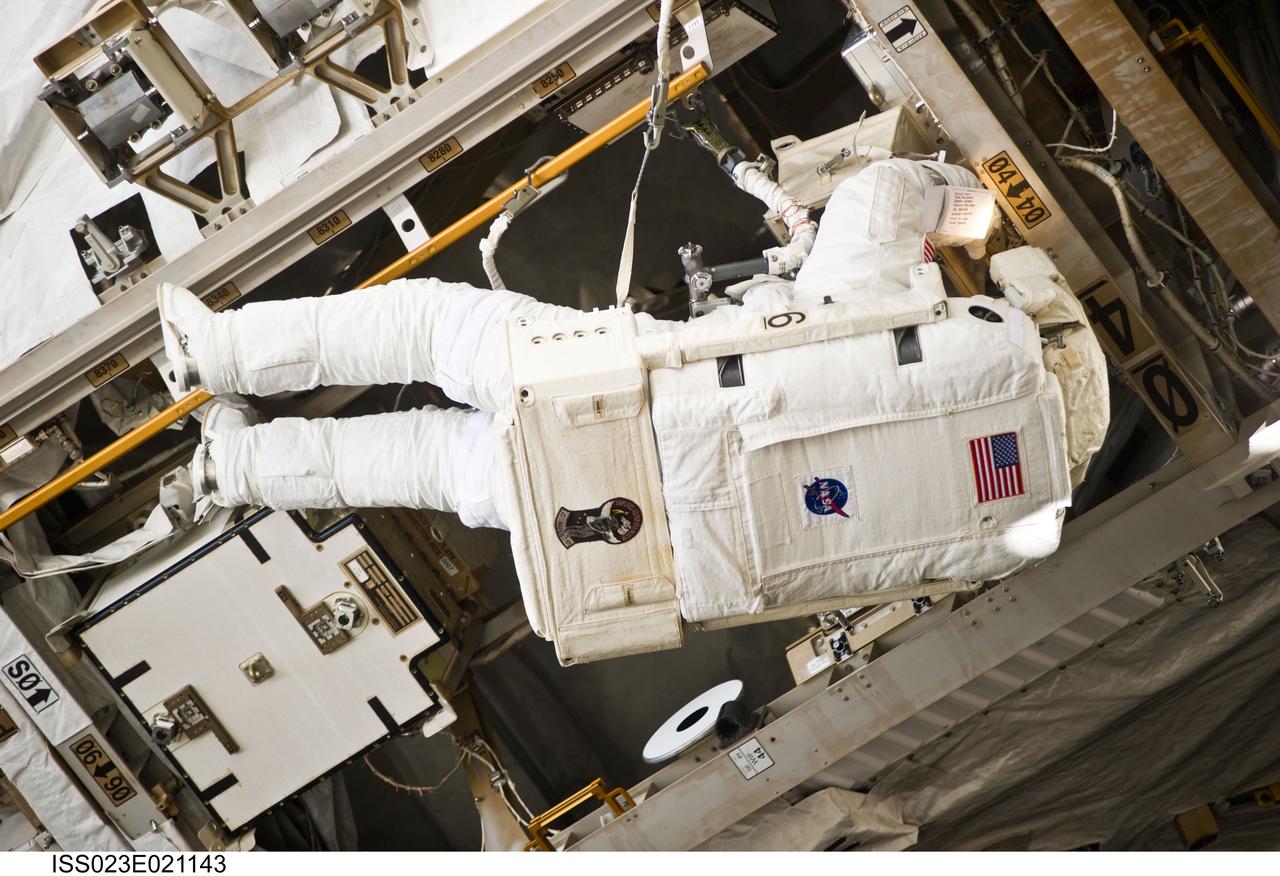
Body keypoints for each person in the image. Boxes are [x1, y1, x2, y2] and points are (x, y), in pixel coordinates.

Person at [158, 156, 1108, 664]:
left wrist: (970, 200)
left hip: (614, 406)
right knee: (432, 464)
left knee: (429, 327)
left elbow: (884, 196)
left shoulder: (974, 351)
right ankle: (228, 468)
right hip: (630, 560)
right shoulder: (1012, 531)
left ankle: (215, 353)